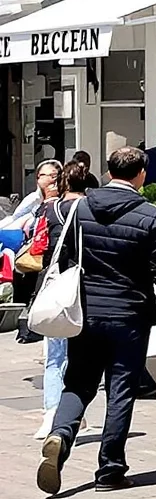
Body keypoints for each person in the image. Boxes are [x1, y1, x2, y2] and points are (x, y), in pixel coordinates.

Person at [35, 147, 156, 496]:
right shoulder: (149, 215)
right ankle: (110, 469)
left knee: (78, 382)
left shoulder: (79, 208)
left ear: (108, 170)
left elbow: (65, 254)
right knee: (120, 392)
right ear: (142, 174)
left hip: (84, 312)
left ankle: (61, 434)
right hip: (129, 315)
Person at [14, 160, 68, 438]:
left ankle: (64, 412)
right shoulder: (35, 206)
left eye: (53, 176)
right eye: (44, 175)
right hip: (49, 285)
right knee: (56, 353)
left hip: (64, 286)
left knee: (62, 354)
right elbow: (13, 224)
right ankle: (54, 412)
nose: (48, 180)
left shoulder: (61, 210)